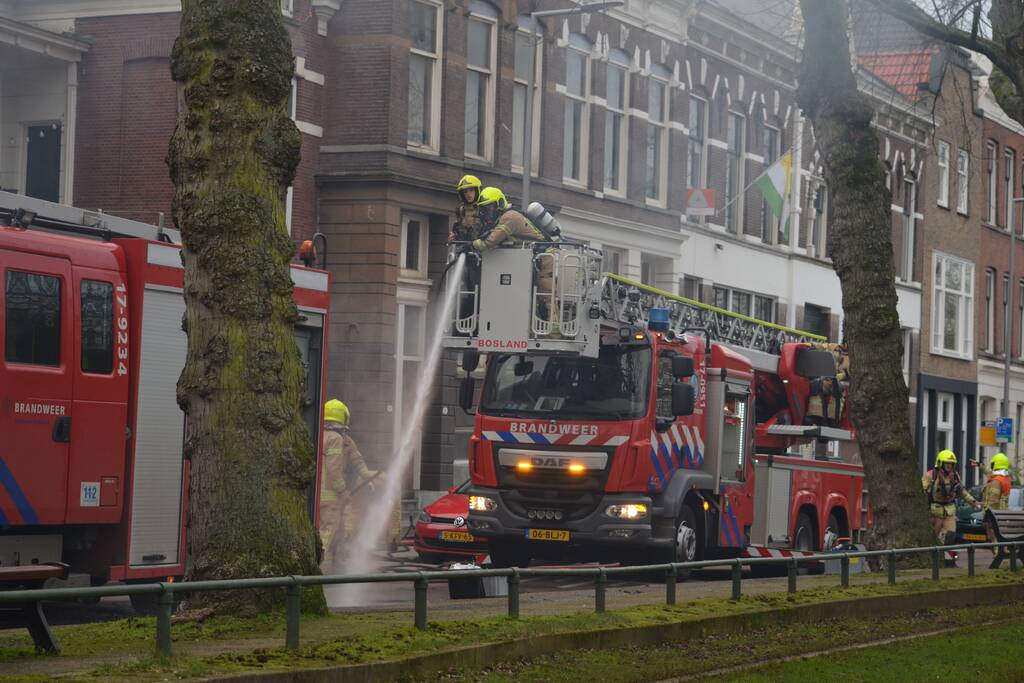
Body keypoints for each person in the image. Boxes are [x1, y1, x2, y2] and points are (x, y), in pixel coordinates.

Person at [471, 186, 556, 328]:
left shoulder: (510, 217)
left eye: (490, 208)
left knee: (546, 300)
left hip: (545, 261)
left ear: (499, 204)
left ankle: (553, 333)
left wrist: (471, 245)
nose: (487, 213)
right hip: (530, 262)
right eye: (484, 210)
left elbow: (490, 241)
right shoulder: (502, 219)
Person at [320, 398, 378, 572]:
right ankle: (318, 569)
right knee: (327, 534)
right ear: (343, 418)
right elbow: (333, 470)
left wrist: (369, 478)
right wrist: (343, 491)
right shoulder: (336, 439)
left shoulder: (328, 437)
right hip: (331, 497)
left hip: (318, 496)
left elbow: (358, 462)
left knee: (338, 532)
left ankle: (335, 567)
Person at [921, 449, 979, 544]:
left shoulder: (955, 476)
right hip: (934, 513)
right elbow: (921, 490)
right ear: (940, 463)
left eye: (951, 464)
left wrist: (973, 502)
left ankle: (945, 552)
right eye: (947, 463)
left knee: (950, 537)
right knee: (932, 539)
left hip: (950, 512)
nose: (949, 466)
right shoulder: (931, 475)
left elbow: (962, 491)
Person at [452, 174, 483, 243]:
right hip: (462, 247)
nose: (468, 194)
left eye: (471, 190)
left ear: (477, 191)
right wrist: (453, 237)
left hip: (480, 248)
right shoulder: (460, 211)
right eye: (465, 191)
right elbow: (456, 231)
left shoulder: (484, 209)